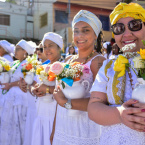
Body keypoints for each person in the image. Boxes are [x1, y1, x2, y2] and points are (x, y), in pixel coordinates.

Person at [88, 2, 145, 145]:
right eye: (119, 29)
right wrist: (120, 114)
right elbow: (93, 108)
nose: (126, 34)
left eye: (135, 25)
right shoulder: (108, 67)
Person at [52, 10, 105, 145]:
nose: (79, 35)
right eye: (76, 31)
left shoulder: (98, 62)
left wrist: (65, 102)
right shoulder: (68, 59)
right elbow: (59, 98)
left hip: (85, 131)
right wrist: (53, 129)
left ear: (95, 35)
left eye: (85, 30)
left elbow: (101, 103)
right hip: (63, 127)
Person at [0, 39, 36, 145]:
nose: (14, 52)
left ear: (25, 52)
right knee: (9, 127)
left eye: (17, 49)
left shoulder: (28, 64)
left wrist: (10, 84)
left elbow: (26, 81)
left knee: (19, 126)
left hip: (20, 100)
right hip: (11, 98)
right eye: (15, 49)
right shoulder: (15, 63)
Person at [31, 32, 64, 145]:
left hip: (55, 117)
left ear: (59, 47)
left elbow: (66, 91)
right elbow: (36, 84)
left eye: (51, 45)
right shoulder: (43, 67)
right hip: (41, 114)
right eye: (44, 47)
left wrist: (47, 89)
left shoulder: (65, 66)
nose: (47, 49)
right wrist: (34, 90)